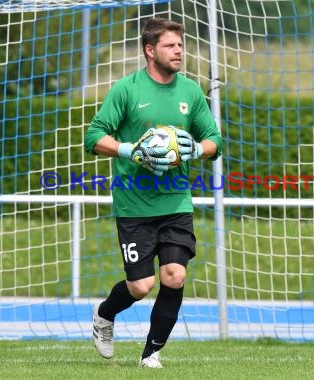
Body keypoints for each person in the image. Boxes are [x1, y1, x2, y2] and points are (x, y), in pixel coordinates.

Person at [83, 17, 222, 368]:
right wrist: (129, 150)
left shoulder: (190, 91)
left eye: (180, 45)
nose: (179, 51)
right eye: (170, 46)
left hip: (176, 202)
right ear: (149, 50)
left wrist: (196, 150)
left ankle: (151, 354)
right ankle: (104, 314)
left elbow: (214, 139)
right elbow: (93, 136)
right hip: (134, 205)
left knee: (175, 275)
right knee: (142, 285)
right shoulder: (127, 90)